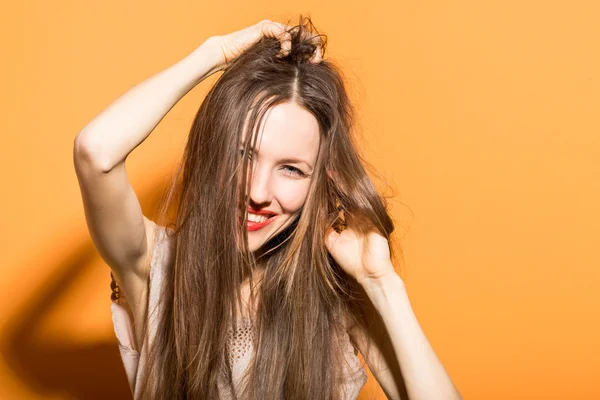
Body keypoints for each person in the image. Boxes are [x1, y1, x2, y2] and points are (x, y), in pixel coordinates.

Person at [73, 15, 462, 400]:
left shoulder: (335, 297)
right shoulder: (157, 267)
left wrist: (381, 283)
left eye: (291, 169)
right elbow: (96, 151)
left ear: (319, 183)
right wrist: (215, 53)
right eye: (243, 155)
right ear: (215, 151)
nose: (258, 191)